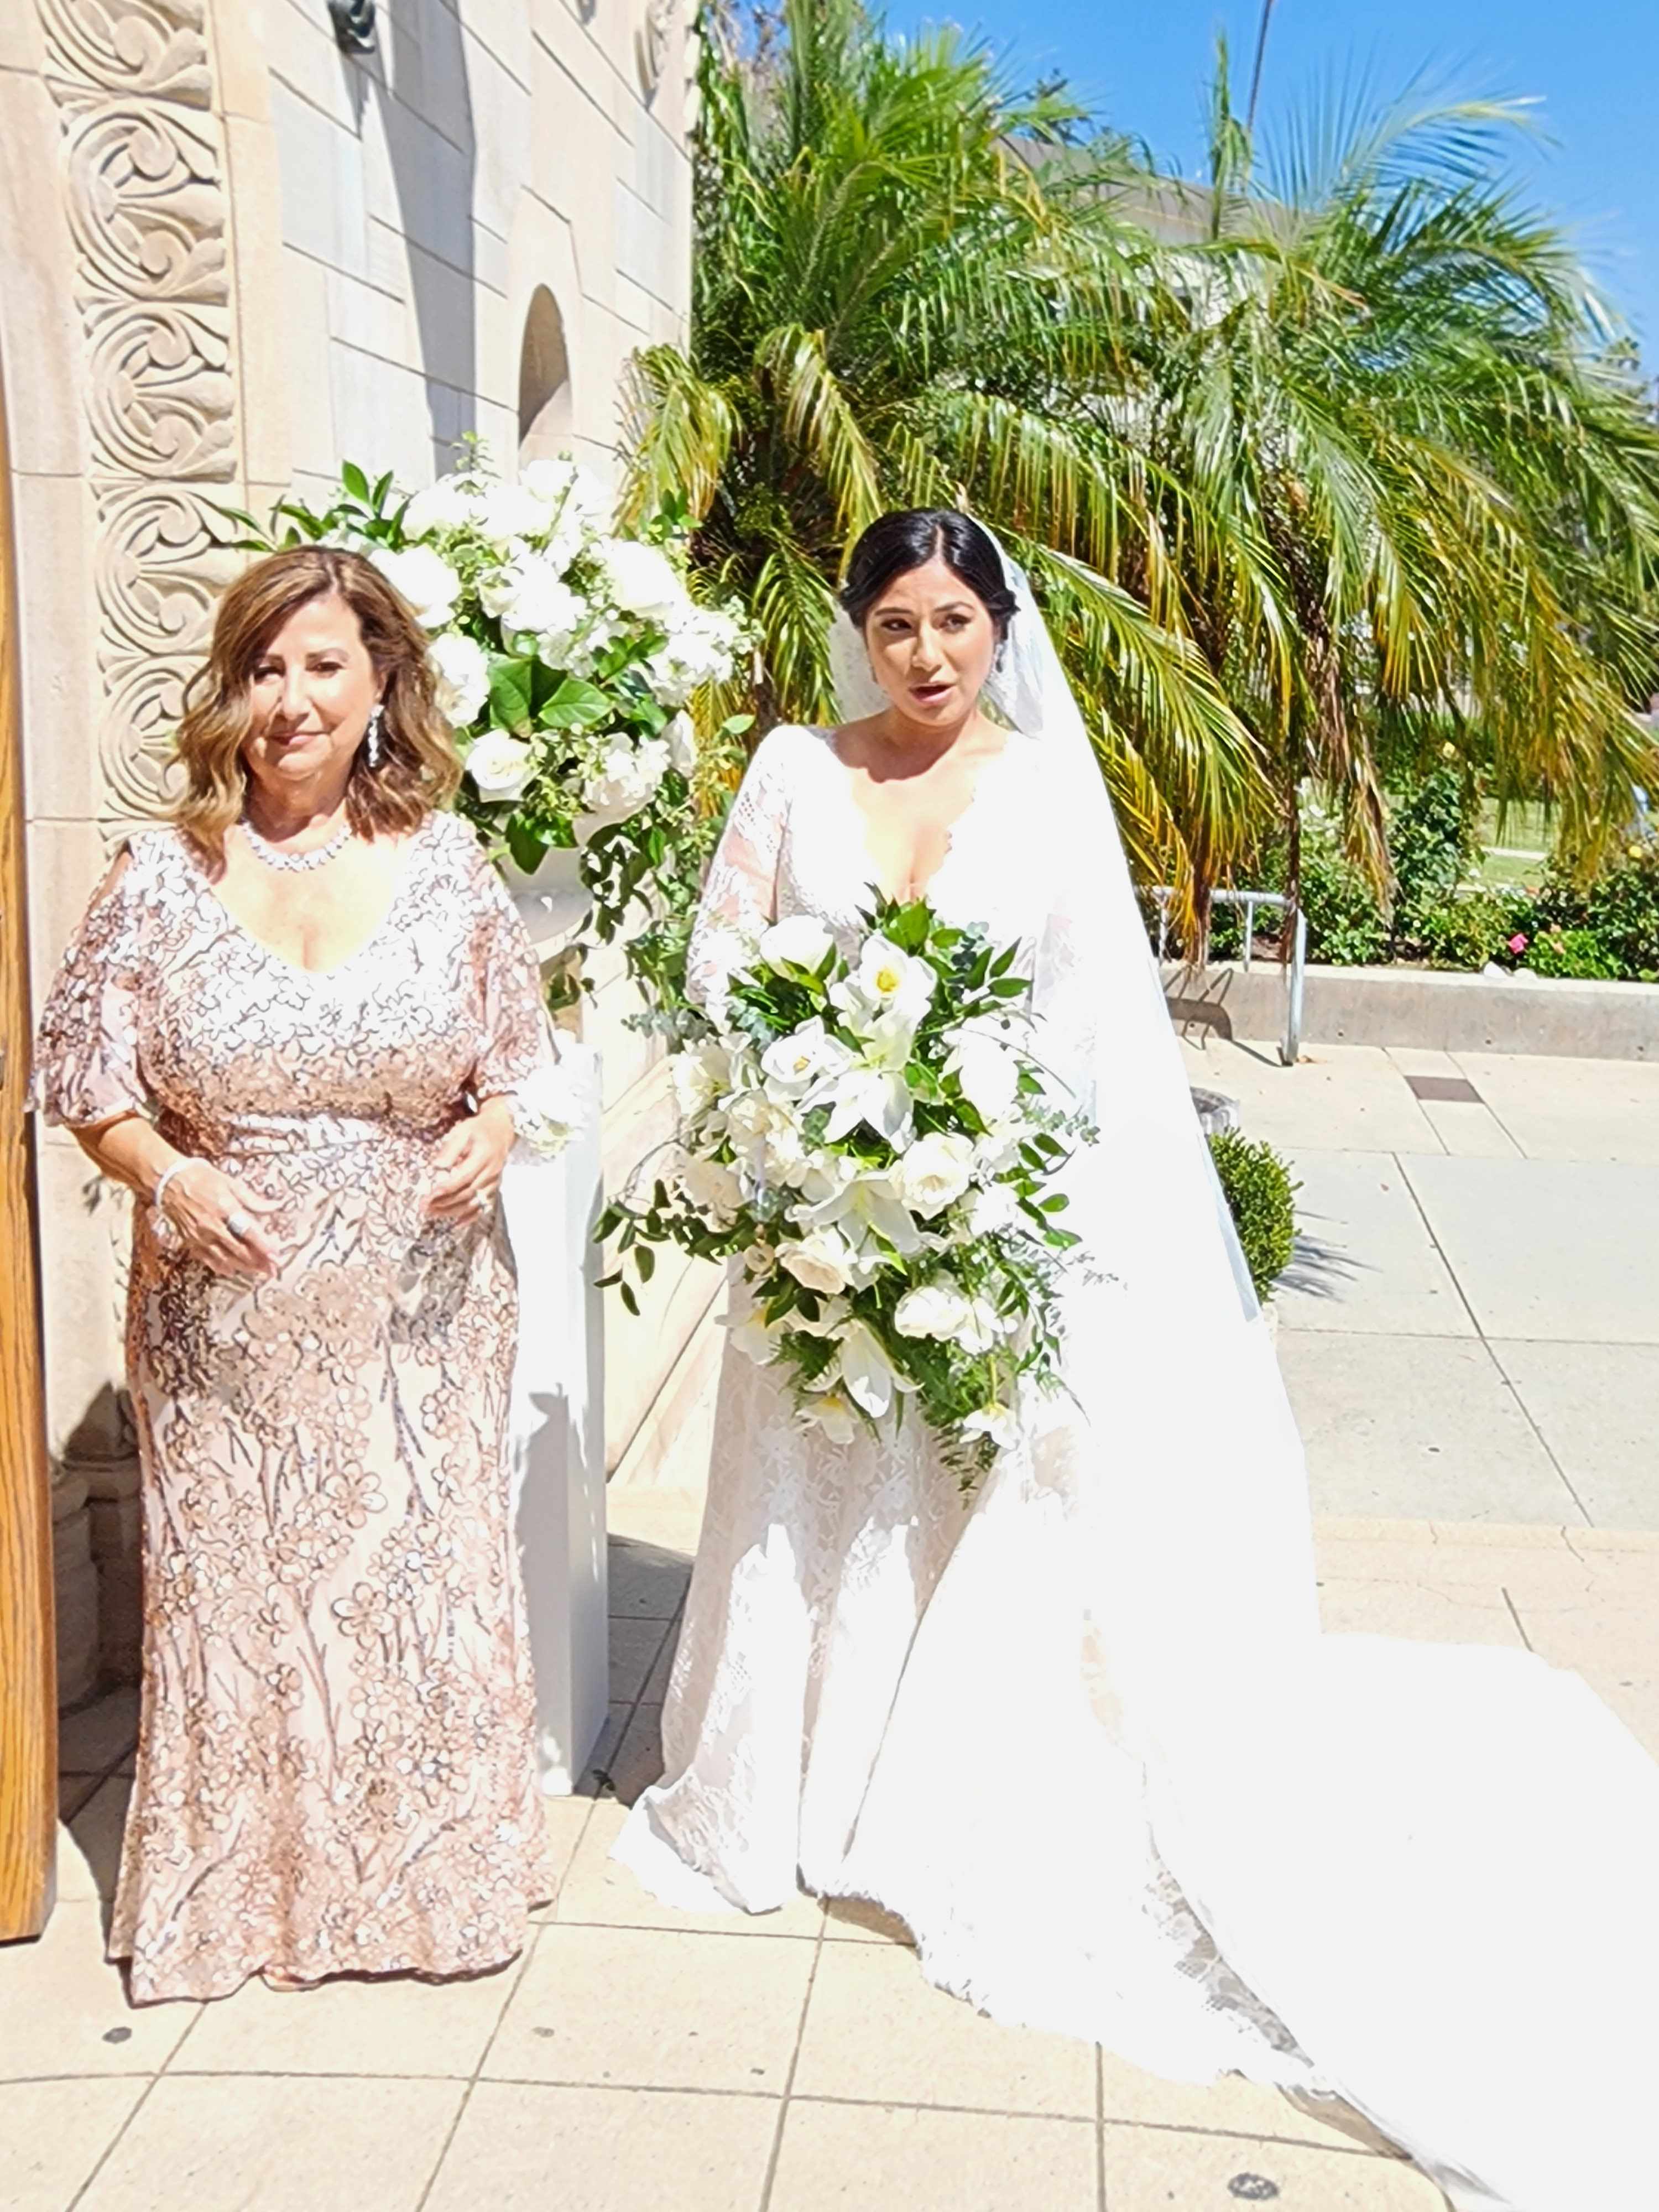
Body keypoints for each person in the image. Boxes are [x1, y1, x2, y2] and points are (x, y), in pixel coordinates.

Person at [614, 509, 1659, 2211]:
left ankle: (921, 1797)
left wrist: (975, 1166)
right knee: (811, 1490)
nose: (926, 654)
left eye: (955, 622)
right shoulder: (796, 772)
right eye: (896, 624)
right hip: (817, 1208)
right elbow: (721, 969)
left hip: (979, 1210)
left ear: (998, 630)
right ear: (859, 632)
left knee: (956, 1501)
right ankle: (787, 1784)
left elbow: (1089, 1028)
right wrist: (796, 1124)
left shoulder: (1041, 792)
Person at [33, 546, 555, 2004]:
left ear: (383, 680)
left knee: (416, 1586)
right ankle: (244, 1904)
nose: (292, 699)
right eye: (265, 667)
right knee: (240, 1608)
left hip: (420, 1316)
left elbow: (513, 1065)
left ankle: (426, 1887)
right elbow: (85, 1079)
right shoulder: (158, 874)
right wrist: (167, 1175)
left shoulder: (450, 867)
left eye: (325, 664)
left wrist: (490, 1135)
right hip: (224, 1325)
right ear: (231, 688)